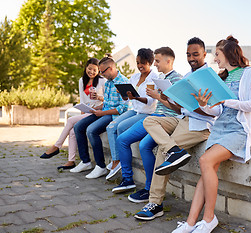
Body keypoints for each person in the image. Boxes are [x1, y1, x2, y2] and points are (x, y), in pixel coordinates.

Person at [169, 36, 251, 233]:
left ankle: (209, 218)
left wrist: (228, 101)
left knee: (205, 160)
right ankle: (191, 221)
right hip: (219, 128)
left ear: (228, 53)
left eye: (217, 55)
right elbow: (217, 111)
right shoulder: (222, 77)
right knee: (206, 170)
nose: (215, 60)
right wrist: (203, 104)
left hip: (238, 130)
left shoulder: (249, 73)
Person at [134, 37, 221, 220]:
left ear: (205, 54)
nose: (191, 58)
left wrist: (199, 105)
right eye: (188, 54)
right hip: (183, 119)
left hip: (200, 125)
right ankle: (174, 150)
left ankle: (155, 203)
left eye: (195, 54)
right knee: (149, 121)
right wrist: (169, 99)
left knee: (160, 152)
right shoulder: (187, 77)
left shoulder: (211, 77)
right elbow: (179, 109)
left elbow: (215, 113)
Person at [111, 47, 183, 204]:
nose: (155, 64)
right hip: (155, 117)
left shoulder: (176, 79)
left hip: (164, 119)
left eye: (157, 61)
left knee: (142, 145)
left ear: (168, 61)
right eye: (155, 61)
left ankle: (148, 188)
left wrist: (158, 97)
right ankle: (129, 180)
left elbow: (178, 108)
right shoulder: (161, 78)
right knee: (122, 139)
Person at [40, 58, 106, 170]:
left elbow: (108, 101)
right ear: (86, 67)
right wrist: (82, 113)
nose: (91, 72)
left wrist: (99, 97)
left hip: (98, 112)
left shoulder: (102, 81)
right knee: (72, 131)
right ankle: (71, 161)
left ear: (98, 70)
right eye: (89, 69)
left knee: (70, 120)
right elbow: (82, 100)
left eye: (95, 70)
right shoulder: (82, 81)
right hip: (87, 112)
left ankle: (57, 146)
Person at [71, 56, 129, 179]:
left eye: (102, 71)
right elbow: (107, 103)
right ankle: (85, 162)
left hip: (113, 115)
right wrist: (97, 109)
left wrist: (102, 113)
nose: (101, 74)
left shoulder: (123, 82)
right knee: (78, 126)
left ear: (111, 68)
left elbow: (122, 108)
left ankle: (100, 166)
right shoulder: (108, 82)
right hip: (104, 112)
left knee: (91, 130)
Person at [105, 48, 158, 180]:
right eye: (138, 63)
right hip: (134, 110)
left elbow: (150, 102)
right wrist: (124, 94)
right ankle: (118, 159)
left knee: (122, 127)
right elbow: (127, 99)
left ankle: (124, 167)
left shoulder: (154, 78)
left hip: (147, 113)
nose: (140, 66)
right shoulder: (134, 77)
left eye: (143, 63)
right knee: (113, 126)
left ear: (150, 62)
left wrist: (135, 97)